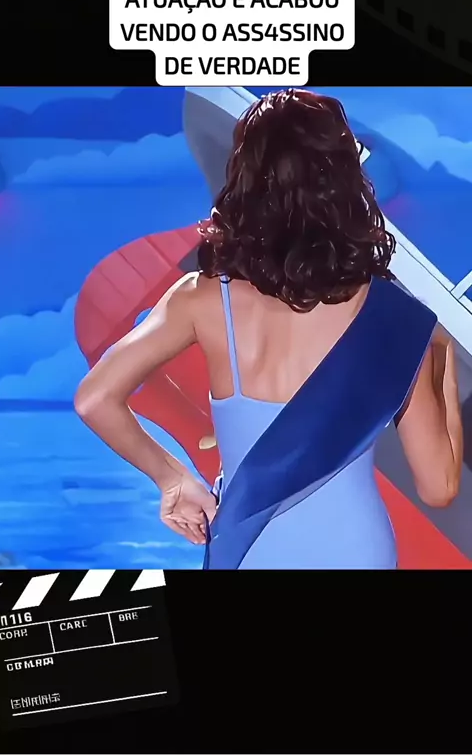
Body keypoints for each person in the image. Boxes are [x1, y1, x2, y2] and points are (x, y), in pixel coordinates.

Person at [74, 89, 463, 569]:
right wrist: (440, 355)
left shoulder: (201, 298)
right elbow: (439, 487)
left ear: (244, 179)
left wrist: (173, 479)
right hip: (357, 552)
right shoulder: (395, 318)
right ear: (346, 180)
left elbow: (94, 399)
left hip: (250, 551)